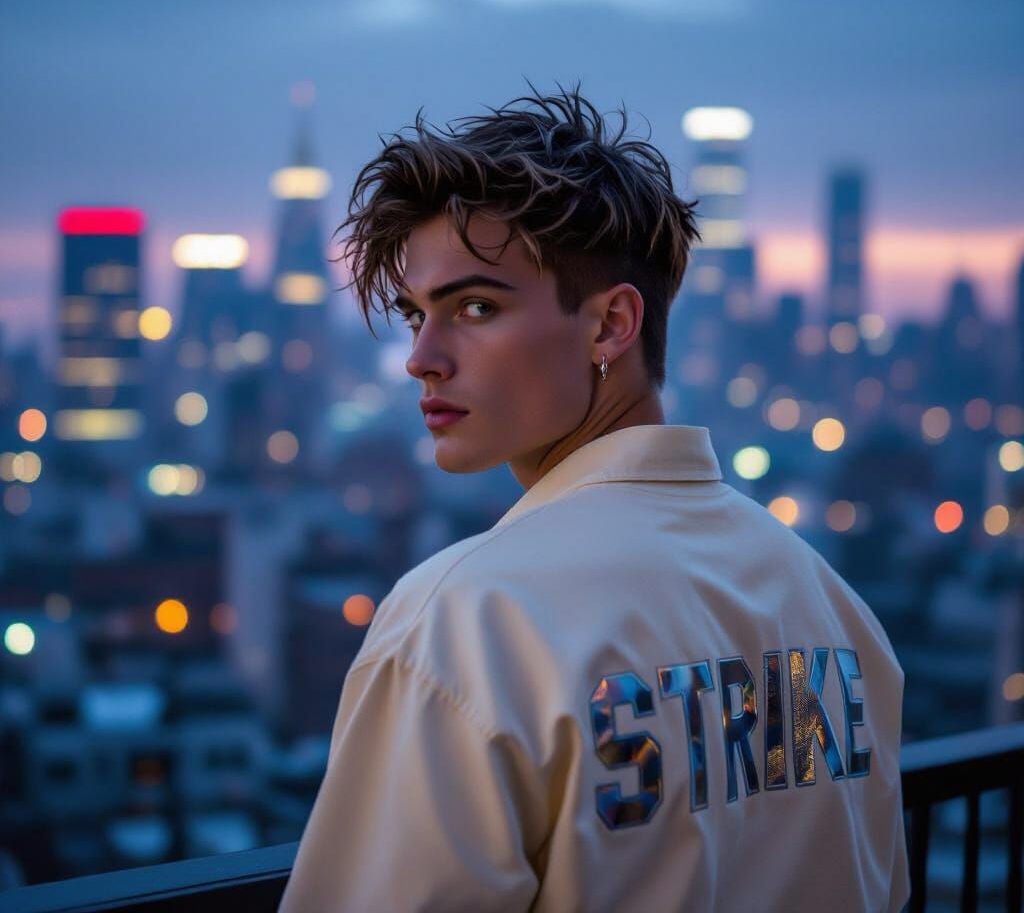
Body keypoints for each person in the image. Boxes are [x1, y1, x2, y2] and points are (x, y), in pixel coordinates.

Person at [277, 82, 910, 912]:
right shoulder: (831, 607)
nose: (421, 358)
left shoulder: (465, 623)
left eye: (475, 307)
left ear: (611, 325)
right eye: (414, 314)